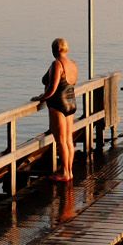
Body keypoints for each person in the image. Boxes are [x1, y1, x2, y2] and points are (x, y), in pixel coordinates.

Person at [33, 37, 79, 181]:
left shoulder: (57, 64)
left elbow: (52, 89)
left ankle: (65, 173)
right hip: (71, 102)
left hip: (58, 104)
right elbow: (72, 82)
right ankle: (69, 171)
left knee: (61, 140)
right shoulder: (73, 64)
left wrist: (41, 98)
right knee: (69, 140)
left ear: (54, 50)